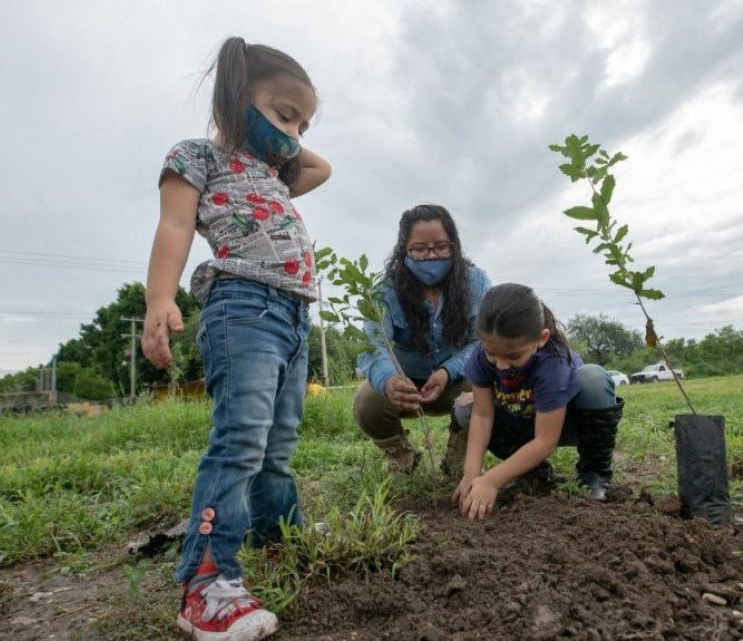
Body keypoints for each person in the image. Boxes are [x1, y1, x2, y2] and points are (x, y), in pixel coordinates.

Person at [141, 38, 331, 641]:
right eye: (283, 112)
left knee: (279, 444)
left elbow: (322, 168)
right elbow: (174, 224)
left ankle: (277, 536)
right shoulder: (199, 156)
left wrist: (285, 129)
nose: (295, 131)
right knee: (241, 442)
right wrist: (159, 300)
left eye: (303, 122)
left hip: (294, 316)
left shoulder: (274, 172)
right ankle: (207, 586)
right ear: (235, 99)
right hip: (243, 307)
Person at [452, 283, 624, 519]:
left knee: (593, 378)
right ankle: (534, 473)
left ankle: (594, 473)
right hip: (522, 422)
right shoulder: (482, 356)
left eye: (513, 356)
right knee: (466, 411)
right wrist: (471, 474)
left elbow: (546, 441)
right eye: (492, 354)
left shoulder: (553, 362)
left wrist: (492, 480)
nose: (501, 365)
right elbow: (482, 416)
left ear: (541, 338)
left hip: (568, 424)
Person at [354, 205, 491, 474]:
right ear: (405, 249)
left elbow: (483, 341)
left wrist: (446, 371)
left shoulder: (476, 282)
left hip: (454, 382)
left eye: (441, 246)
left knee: (487, 388)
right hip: (405, 385)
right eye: (420, 249)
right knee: (367, 403)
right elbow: (373, 346)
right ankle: (401, 456)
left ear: (454, 246)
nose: (431, 256)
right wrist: (390, 381)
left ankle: (459, 454)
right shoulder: (384, 289)